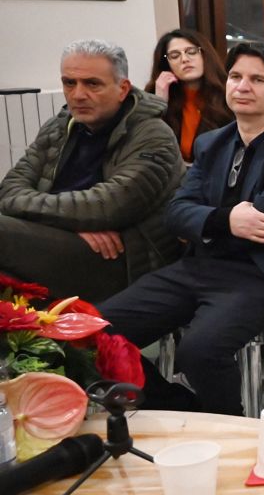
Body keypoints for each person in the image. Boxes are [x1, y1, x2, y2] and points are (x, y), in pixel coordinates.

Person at [97, 43, 264, 415]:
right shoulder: (213, 143)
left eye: (257, 79)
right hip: (200, 266)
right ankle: (180, 408)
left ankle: (236, 433)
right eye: (236, 77)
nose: (242, 86)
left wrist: (208, 219)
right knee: (94, 332)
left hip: (263, 275)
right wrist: (226, 220)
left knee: (200, 351)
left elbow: (262, 224)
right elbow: (175, 213)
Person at [0, 41, 185, 303]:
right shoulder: (60, 126)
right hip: (62, 241)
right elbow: (9, 190)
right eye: (69, 83)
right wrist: (74, 222)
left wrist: (77, 219)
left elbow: (107, 208)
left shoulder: (153, 135)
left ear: (122, 89)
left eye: (92, 84)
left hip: (124, 263)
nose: (77, 94)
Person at [145, 29, 232, 161]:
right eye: (174, 56)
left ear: (205, 55)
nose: (184, 59)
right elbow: (149, 149)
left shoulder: (229, 95)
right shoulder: (154, 98)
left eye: (191, 52)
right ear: (166, 64)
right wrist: (159, 103)